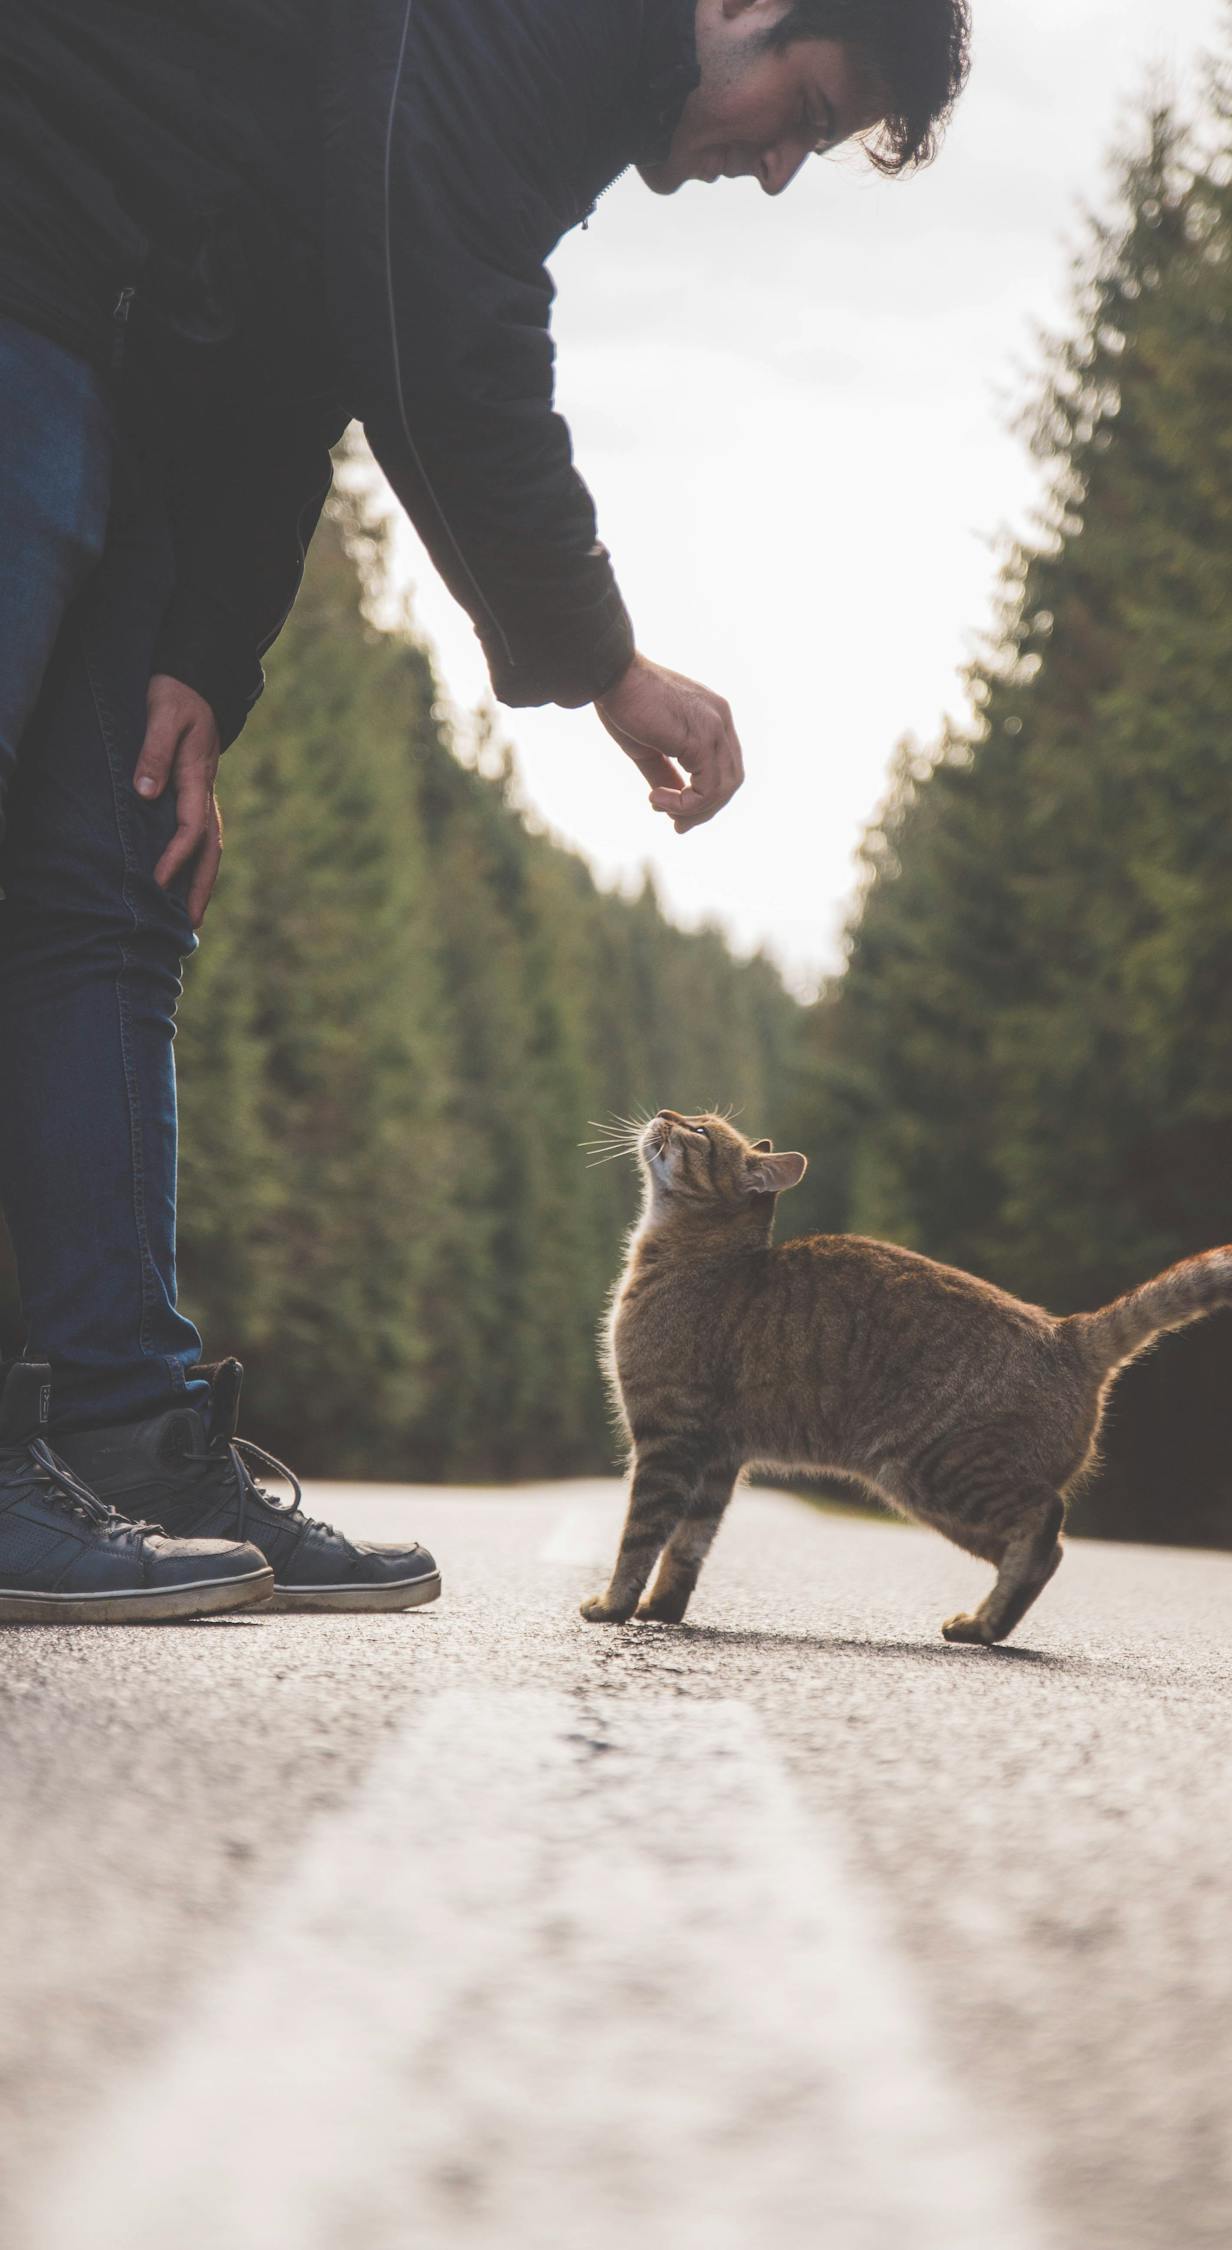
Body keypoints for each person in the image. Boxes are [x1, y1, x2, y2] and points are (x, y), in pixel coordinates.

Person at [0, 0, 971, 1619]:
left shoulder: (563, 102)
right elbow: (441, 329)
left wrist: (201, 662)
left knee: (122, 880)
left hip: (127, 371)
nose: (784, 168)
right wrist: (608, 670)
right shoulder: (553, 26)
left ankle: (123, 1431)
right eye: (802, 105)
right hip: (26, 254)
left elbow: (313, 340)